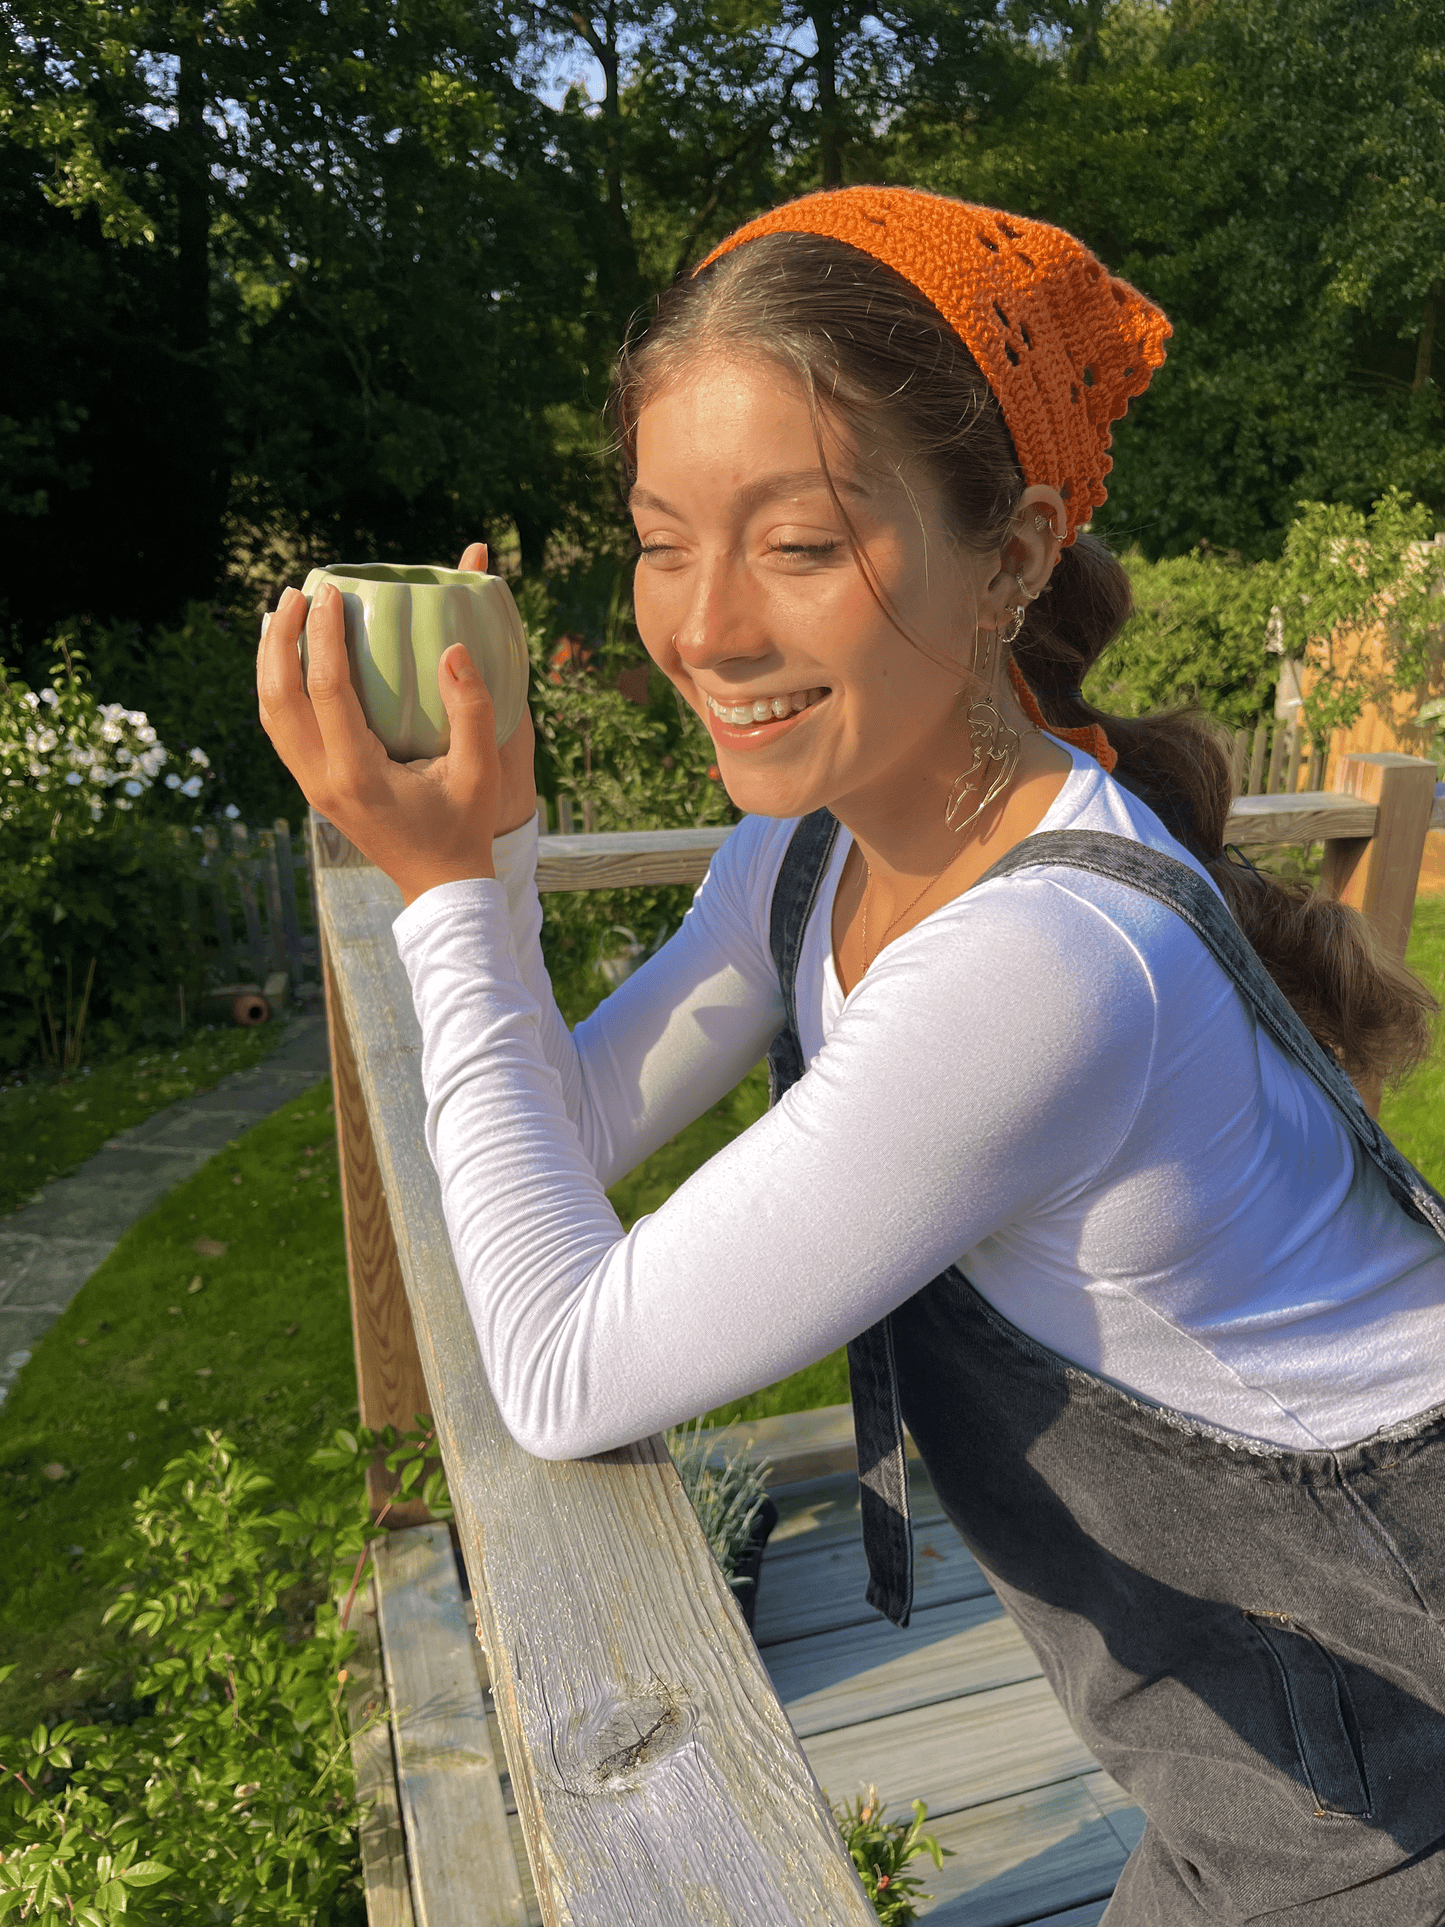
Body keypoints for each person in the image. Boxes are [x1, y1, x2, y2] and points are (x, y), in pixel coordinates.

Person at [258, 186, 1445, 1922]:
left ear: (1016, 553)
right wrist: (485, 845)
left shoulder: (1041, 967)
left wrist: (445, 894)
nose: (707, 625)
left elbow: (565, 1362)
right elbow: (562, 1126)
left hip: (1387, 1767)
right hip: (1258, 1757)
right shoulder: (814, 851)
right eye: (664, 539)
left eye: (799, 545)